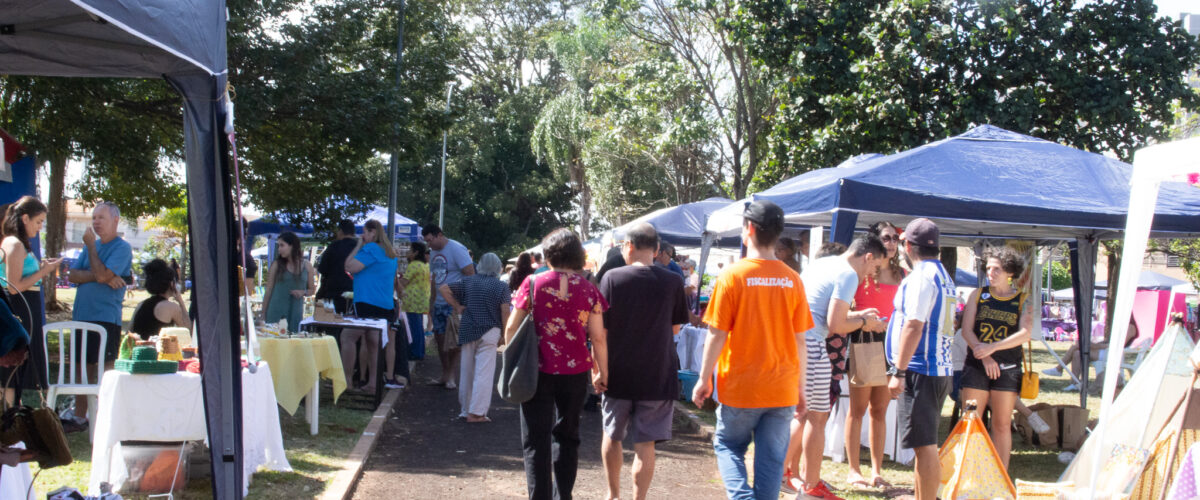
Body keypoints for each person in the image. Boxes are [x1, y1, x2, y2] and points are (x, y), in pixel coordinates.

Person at [691, 200, 813, 500]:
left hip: (741, 386)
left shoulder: (732, 276)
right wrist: (801, 387)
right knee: (771, 461)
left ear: (750, 229)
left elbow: (716, 335)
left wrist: (703, 378)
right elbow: (800, 341)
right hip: (781, 387)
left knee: (728, 446)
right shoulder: (793, 279)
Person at [505, 228, 609, 500]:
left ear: (548, 254)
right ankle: (564, 496)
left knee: (535, 441)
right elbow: (598, 336)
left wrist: (511, 360)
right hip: (575, 373)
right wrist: (601, 372)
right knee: (568, 437)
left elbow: (511, 328)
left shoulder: (532, 283)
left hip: (535, 370)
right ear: (577, 255)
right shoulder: (589, 289)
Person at [784, 234, 886, 498]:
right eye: (874, 269)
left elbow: (821, 310)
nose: (871, 276)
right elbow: (836, 325)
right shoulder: (849, 274)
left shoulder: (824, 263)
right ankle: (809, 485)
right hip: (813, 345)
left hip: (794, 341)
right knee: (816, 417)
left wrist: (860, 316)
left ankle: (785, 473)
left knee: (803, 415)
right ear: (868, 257)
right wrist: (865, 323)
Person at [598, 223, 689, 500]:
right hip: (658, 372)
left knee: (612, 435)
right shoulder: (673, 282)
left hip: (618, 371)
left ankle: (613, 495)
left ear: (629, 246)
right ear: (657, 249)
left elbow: (601, 330)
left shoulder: (612, 278)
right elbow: (676, 328)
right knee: (645, 444)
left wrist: (598, 369)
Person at [884, 218, 956, 500]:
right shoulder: (942, 275)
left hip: (920, 369)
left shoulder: (922, 277)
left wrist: (898, 371)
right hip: (933, 368)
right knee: (921, 444)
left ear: (908, 246)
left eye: (901, 243)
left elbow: (914, 325)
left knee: (925, 446)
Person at [960, 245, 1034, 469]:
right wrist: (984, 355)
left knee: (1002, 424)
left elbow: (1025, 333)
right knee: (971, 420)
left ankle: (1000, 474)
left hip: (1008, 367)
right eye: (988, 268)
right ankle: (969, 471)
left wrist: (992, 348)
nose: (990, 273)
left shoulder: (1023, 299)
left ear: (1010, 272)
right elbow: (966, 330)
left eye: (997, 269)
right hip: (977, 364)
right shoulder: (978, 295)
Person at [843, 221, 905, 489]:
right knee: (857, 409)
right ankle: (854, 470)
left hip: (893, 344)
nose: (892, 242)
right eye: (886, 238)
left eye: (895, 238)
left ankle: (877, 471)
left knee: (880, 409)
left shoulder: (904, 274)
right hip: (865, 338)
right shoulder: (864, 271)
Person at [68, 201, 132, 422]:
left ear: (115, 220)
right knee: (81, 368)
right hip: (81, 316)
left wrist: (98, 265)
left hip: (105, 318)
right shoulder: (88, 247)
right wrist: (100, 275)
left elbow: (104, 276)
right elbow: (72, 275)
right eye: (93, 218)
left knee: (105, 369)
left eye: (100, 218)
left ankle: (105, 416)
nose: (95, 222)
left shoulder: (121, 248)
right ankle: (79, 416)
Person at [439, 252, 510, 422]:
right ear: (498, 268)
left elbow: (444, 289)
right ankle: (477, 412)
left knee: (467, 371)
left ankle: (465, 409)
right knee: (483, 373)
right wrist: (505, 333)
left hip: (469, 329)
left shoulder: (468, 282)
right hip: (490, 330)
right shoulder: (501, 286)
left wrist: (457, 306)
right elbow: (505, 311)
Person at [0, 196, 59, 402]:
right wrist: (44, 271)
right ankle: (9, 418)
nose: (40, 227)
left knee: (18, 367)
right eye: (38, 221)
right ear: (25, 218)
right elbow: (13, 286)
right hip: (19, 309)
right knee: (12, 368)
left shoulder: (16, 242)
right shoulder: (14, 243)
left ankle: (13, 416)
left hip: (26, 309)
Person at [344, 219, 399, 393]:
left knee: (348, 337)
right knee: (374, 343)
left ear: (373, 232)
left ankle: (347, 382)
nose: (362, 235)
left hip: (367, 302)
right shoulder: (390, 254)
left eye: (365, 232)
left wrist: (358, 245)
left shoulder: (371, 249)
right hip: (385, 304)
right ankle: (373, 384)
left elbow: (349, 266)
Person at [423, 224, 475, 389]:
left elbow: (470, 274)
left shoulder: (457, 249)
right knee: (439, 340)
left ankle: (451, 374)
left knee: (453, 341)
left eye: (430, 240)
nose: (428, 245)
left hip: (453, 303)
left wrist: (462, 302)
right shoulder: (433, 253)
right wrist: (431, 302)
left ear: (439, 235)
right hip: (438, 303)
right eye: (426, 242)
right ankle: (445, 373)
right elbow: (434, 279)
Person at [261, 231, 316, 332]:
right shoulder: (276, 265)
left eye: (282, 245)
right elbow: (268, 290)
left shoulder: (307, 265)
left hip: (295, 312)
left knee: (293, 341)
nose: (279, 249)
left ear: (292, 246)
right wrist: (263, 313)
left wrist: (303, 292)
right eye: (278, 246)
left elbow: (312, 290)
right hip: (276, 311)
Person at [130, 259, 190, 339]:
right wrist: (181, 302)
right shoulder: (171, 307)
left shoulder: (141, 304)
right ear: (171, 284)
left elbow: (130, 330)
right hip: (157, 349)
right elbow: (188, 331)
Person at [398, 241, 430, 367]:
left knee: (413, 327)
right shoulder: (425, 265)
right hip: (422, 299)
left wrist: (395, 281)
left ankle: (415, 352)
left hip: (412, 299)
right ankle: (420, 351)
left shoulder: (414, 265)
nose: (408, 252)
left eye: (410, 250)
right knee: (419, 326)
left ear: (416, 252)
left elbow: (404, 282)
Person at [317, 220, 357, 314]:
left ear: (341, 231)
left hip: (333, 292)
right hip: (354, 292)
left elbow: (323, 269)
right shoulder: (359, 248)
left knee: (330, 324)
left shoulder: (333, 246)